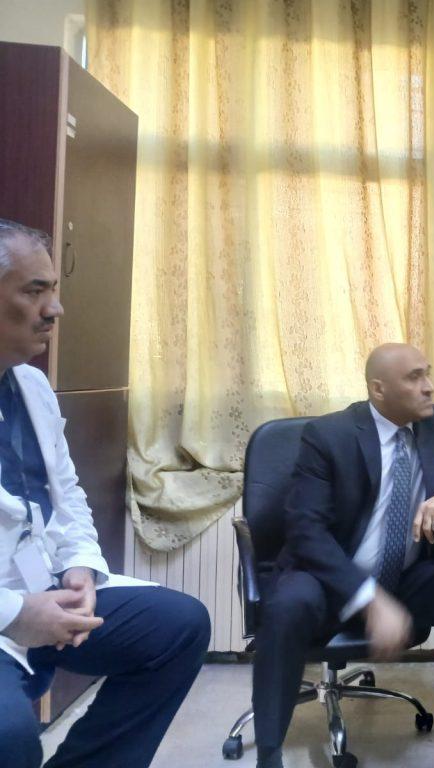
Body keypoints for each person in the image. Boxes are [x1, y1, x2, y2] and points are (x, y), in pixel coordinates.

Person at [0, 219, 211, 768]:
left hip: (43, 587)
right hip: (6, 607)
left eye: (53, 290)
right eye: (34, 291)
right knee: (9, 737)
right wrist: (15, 613)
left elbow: (65, 493)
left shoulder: (31, 384)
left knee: (178, 626)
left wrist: (81, 567)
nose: (55, 309)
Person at [252, 342, 434, 768]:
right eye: (414, 377)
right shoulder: (329, 435)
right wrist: (370, 599)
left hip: (405, 576)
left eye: (427, 373)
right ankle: (269, 751)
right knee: (287, 605)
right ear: (378, 389)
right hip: (331, 577)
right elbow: (306, 532)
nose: (429, 387)